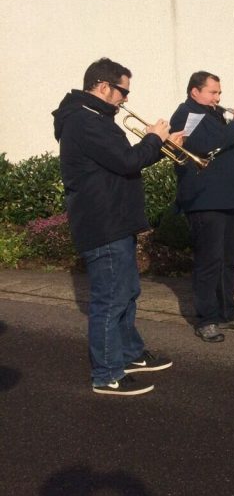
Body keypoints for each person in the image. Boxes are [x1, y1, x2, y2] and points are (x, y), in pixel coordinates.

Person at [53, 57, 177, 395]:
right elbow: (126, 161)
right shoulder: (84, 121)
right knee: (109, 300)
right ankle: (107, 374)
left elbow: (123, 163)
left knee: (127, 293)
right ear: (103, 86)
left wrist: (162, 145)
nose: (125, 99)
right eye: (123, 91)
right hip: (103, 224)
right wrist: (153, 138)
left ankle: (130, 353)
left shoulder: (94, 119)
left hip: (116, 221)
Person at [171, 71, 234, 343]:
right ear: (194, 92)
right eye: (213, 92)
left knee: (228, 261)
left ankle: (228, 312)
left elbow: (226, 151)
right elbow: (205, 146)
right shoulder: (185, 116)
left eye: (219, 92)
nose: (218, 97)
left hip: (228, 199)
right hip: (205, 200)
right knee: (208, 262)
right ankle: (206, 319)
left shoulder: (213, 116)